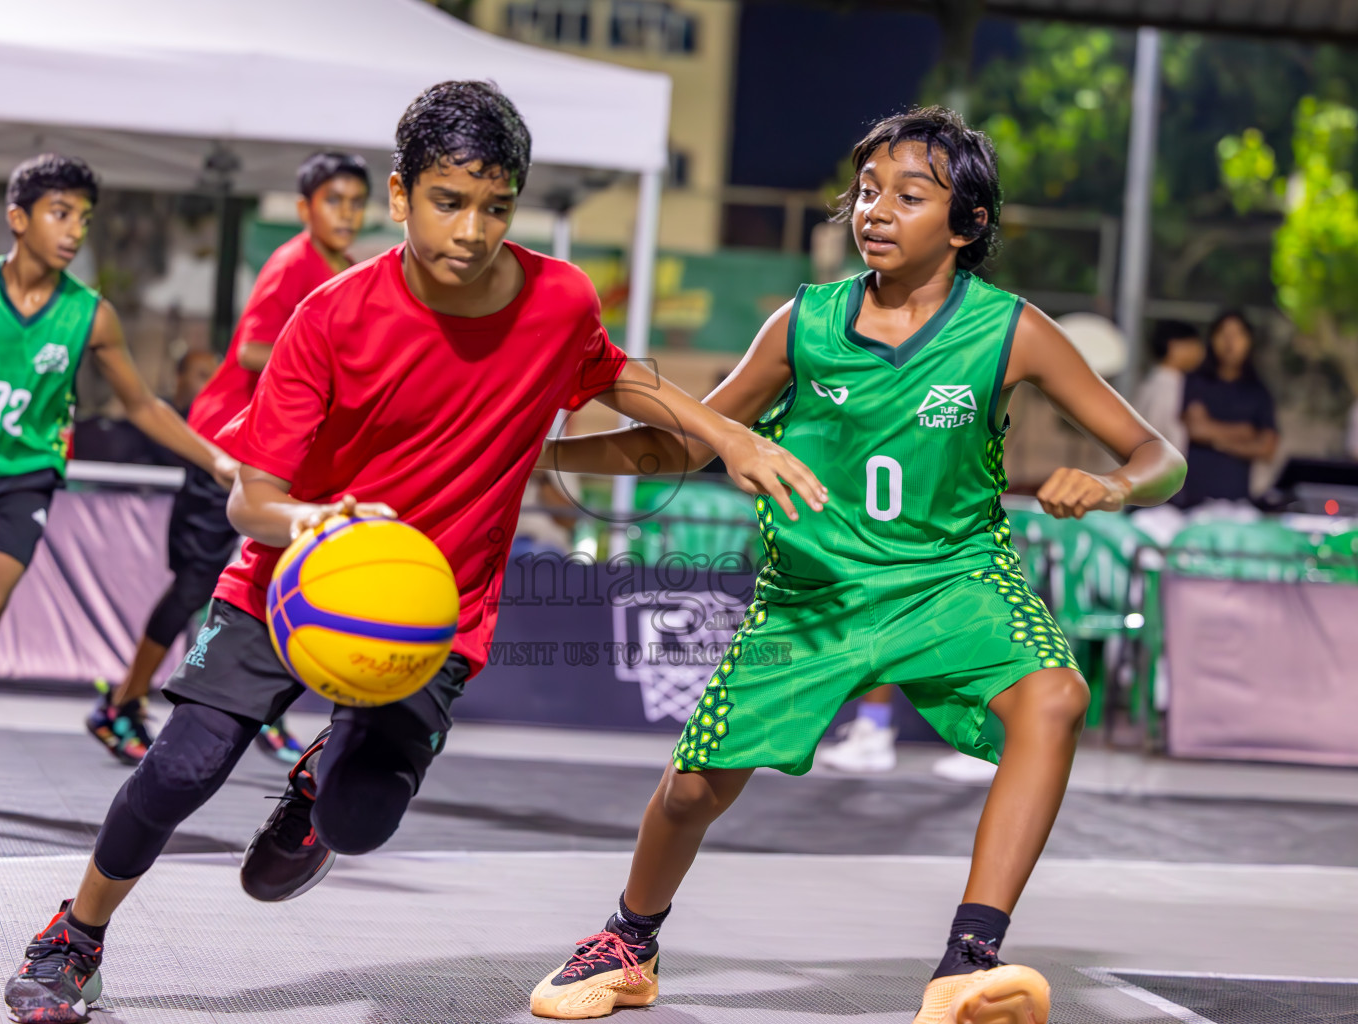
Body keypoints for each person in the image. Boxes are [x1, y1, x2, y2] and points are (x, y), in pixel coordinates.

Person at [2, 81, 823, 1024]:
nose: (473, 230)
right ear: (400, 195)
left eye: (496, 206)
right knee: (185, 764)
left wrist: (728, 435)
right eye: (448, 201)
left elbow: (621, 378)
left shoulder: (558, 300)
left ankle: (319, 784)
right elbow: (251, 498)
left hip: (435, 610)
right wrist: (314, 524)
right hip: (294, 581)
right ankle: (75, 938)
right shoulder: (330, 316)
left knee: (360, 820)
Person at [528, 107, 1185, 1023]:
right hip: (811, 596)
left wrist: (1114, 487)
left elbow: (1160, 453)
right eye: (867, 193)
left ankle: (968, 960)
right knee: (689, 793)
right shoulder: (804, 322)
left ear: (967, 226)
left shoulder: (1012, 330)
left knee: (1057, 696)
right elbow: (682, 447)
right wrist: (535, 449)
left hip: (952, 579)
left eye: (908, 196)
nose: (875, 211)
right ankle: (628, 942)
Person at [0, 155, 235, 806]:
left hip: (24, 476)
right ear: (19, 218)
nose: (74, 231)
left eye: (84, 219)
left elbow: (143, 405)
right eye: (60, 214)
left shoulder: (91, 316)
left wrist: (215, 458)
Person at [84, 152, 372, 767]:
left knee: (285, 581)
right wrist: (337, 373)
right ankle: (122, 704)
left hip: (282, 451)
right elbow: (251, 352)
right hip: (226, 442)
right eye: (333, 200)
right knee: (195, 582)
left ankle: (261, 706)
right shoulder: (294, 261)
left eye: (355, 201)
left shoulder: (345, 267)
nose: (346, 213)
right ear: (304, 209)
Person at [1178, 310, 1278, 507]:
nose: (1230, 342)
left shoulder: (1258, 392)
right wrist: (1244, 432)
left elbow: (1267, 448)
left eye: (1238, 334)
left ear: (1249, 341)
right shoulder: (1196, 381)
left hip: (1238, 501)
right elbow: (1196, 429)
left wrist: (1217, 441)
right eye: (1223, 334)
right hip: (1193, 500)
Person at [1132, 319, 1204, 454]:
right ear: (1173, 346)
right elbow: (1153, 437)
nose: (1199, 351)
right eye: (1193, 344)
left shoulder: (1170, 382)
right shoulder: (1162, 387)